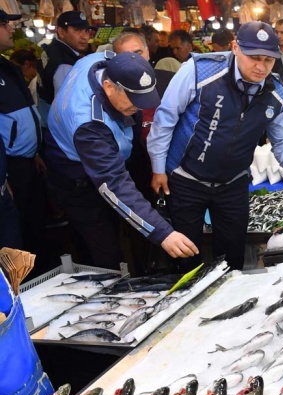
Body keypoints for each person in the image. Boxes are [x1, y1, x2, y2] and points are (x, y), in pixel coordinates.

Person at [148, 21, 283, 271]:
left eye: (268, 60)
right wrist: (158, 167)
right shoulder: (199, 71)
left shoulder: (276, 92)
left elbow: (281, 138)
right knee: (184, 255)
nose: (261, 67)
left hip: (233, 184)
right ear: (236, 48)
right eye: (254, 58)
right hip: (186, 179)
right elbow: (165, 118)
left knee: (231, 258)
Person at [44, 51, 198, 270]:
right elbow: (114, 185)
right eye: (133, 100)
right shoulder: (89, 124)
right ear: (108, 86)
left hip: (109, 151)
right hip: (77, 176)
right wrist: (163, 234)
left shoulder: (101, 60)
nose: (139, 107)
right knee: (104, 247)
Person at [0, 8, 48, 271]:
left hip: (27, 160)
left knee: (34, 226)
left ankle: (41, 274)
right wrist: (3, 174)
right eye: (4, 24)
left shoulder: (7, 66)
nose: (10, 29)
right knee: (16, 236)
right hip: (10, 167)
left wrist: (34, 152)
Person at [37, 11, 91, 121]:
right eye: (77, 30)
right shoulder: (64, 64)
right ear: (61, 32)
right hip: (58, 125)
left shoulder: (51, 49)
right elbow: (65, 107)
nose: (85, 37)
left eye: (86, 31)